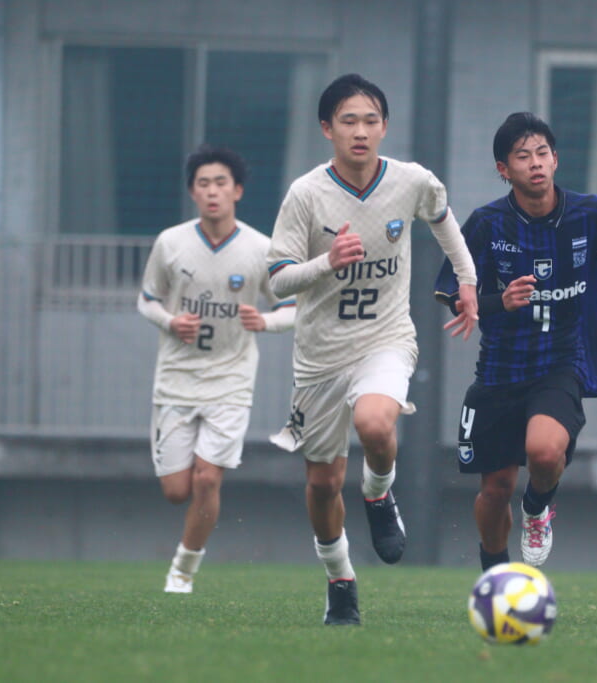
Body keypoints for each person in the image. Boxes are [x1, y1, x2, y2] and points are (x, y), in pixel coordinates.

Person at [266, 73, 478, 625]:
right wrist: (327, 262)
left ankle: (379, 494)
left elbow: (443, 221)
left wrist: (468, 281)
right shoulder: (305, 194)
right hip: (319, 356)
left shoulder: (411, 181)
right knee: (322, 484)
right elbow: (277, 279)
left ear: (384, 126)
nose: (360, 132)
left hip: (385, 338)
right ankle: (340, 581)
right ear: (326, 128)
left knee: (376, 423)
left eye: (370, 121)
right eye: (348, 121)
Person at [434, 112, 597, 571]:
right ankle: (495, 575)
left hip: (561, 362)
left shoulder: (592, 213)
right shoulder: (486, 224)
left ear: (555, 160)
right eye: (523, 156)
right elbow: (453, 295)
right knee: (495, 491)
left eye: (542, 153)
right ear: (503, 169)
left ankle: (537, 509)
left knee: (545, 452)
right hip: (499, 369)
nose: (535, 163)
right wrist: (498, 302)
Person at [138, 144, 296, 594]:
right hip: (176, 379)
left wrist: (264, 321)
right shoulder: (171, 243)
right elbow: (146, 300)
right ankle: (184, 556)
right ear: (192, 192)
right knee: (176, 491)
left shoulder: (260, 248)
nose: (212, 192)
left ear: (237, 191)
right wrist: (171, 322)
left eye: (221, 183)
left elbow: (294, 308)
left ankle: (182, 572)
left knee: (208, 477)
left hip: (231, 379)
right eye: (203, 184)